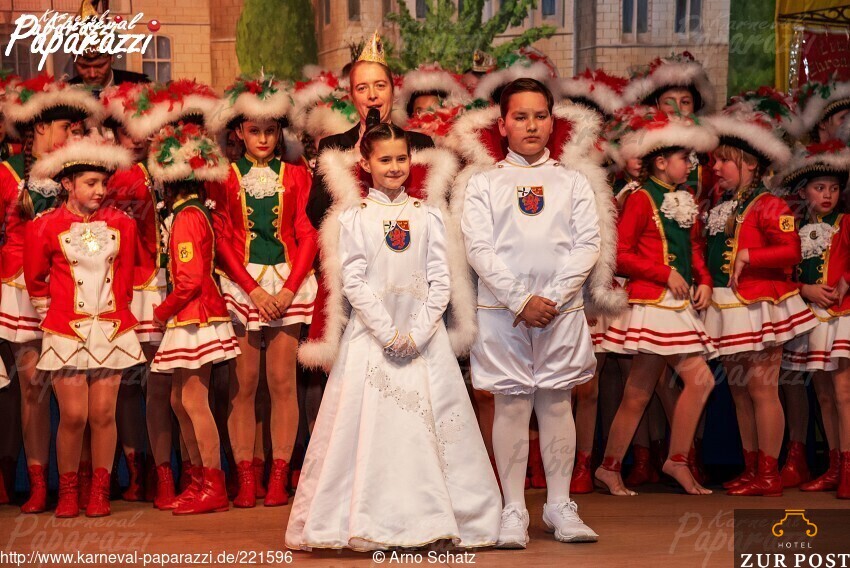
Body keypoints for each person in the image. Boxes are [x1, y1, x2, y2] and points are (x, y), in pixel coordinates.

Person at [286, 123, 500, 551]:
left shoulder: (428, 215)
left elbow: (441, 279)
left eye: (401, 158)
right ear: (365, 164)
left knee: (431, 425)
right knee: (371, 428)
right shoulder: (354, 217)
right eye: (385, 159)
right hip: (372, 340)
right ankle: (366, 519)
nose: (395, 166)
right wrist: (387, 332)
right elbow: (353, 280)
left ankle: (440, 517)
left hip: (424, 341)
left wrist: (418, 332)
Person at [461, 78, 600, 548]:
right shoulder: (483, 183)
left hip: (561, 311)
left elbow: (588, 244)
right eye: (520, 117)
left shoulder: (573, 181)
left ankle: (559, 506)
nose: (531, 125)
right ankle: (514, 509)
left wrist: (553, 298)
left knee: (558, 402)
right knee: (512, 404)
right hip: (504, 313)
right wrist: (521, 300)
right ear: (502, 125)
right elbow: (479, 248)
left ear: (552, 122)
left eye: (540, 116)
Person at [595, 105, 719, 497]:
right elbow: (620, 255)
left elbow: (693, 247)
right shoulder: (640, 198)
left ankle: (610, 467)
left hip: (675, 304)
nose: (691, 164)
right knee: (698, 380)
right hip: (653, 303)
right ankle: (675, 460)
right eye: (684, 158)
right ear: (662, 162)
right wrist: (664, 273)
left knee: (638, 393)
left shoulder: (683, 197)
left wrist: (705, 280)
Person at [208, 75, 318, 508]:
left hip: (288, 283)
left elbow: (307, 233)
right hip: (242, 285)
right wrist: (252, 290)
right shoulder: (222, 177)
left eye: (270, 130)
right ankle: (246, 475)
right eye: (254, 130)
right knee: (244, 384)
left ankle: (277, 476)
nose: (263, 138)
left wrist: (289, 290)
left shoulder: (298, 175)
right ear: (239, 131)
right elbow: (220, 237)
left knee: (282, 382)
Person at [24, 134, 143, 517]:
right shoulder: (45, 226)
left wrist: (115, 311)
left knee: (103, 414)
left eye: (103, 183)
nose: (100, 190)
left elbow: (127, 276)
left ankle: (99, 492)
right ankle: (69, 491)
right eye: (91, 183)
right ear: (67, 184)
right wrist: (53, 316)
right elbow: (35, 279)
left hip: (110, 327)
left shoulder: (122, 224)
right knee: (74, 415)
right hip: (66, 330)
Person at [703, 107, 817, 497]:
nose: (715, 167)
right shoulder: (724, 203)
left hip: (761, 306)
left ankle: (768, 473)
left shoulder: (770, 204)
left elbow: (792, 250)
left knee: (762, 390)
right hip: (728, 308)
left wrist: (750, 256)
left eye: (724, 160)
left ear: (750, 164)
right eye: (715, 160)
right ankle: (752, 468)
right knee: (739, 391)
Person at [0, 74, 99, 513]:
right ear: (39, 126)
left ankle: (82, 484)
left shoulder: (74, 174)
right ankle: (39, 484)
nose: (71, 134)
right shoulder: (6, 174)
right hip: (21, 293)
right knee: (34, 391)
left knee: (81, 392)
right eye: (64, 127)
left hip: (70, 293)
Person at [147, 123, 240, 515]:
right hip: (191, 315)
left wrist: (161, 311)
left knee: (193, 400)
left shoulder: (187, 217)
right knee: (179, 398)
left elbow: (188, 281)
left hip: (195, 316)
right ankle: (200, 479)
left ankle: (213, 485)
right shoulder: (191, 212)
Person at [305, 32, 434, 229]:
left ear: (393, 90)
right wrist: (349, 163)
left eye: (380, 86)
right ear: (352, 96)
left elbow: (438, 210)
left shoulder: (421, 144)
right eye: (362, 88)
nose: (372, 95)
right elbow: (317, 215)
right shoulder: (333, 147)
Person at [780, 141, 850, 498]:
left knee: (843, 393)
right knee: (823, 395)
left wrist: (845, 280)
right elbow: (783, 272)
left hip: (841, 316)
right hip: (810, 317)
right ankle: (834, 467)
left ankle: (848, 468)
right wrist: (804, 289)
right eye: (819, 188)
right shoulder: (793, 226)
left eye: (834, 188)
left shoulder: (845, 222)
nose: (827, 195)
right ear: (804, 192)